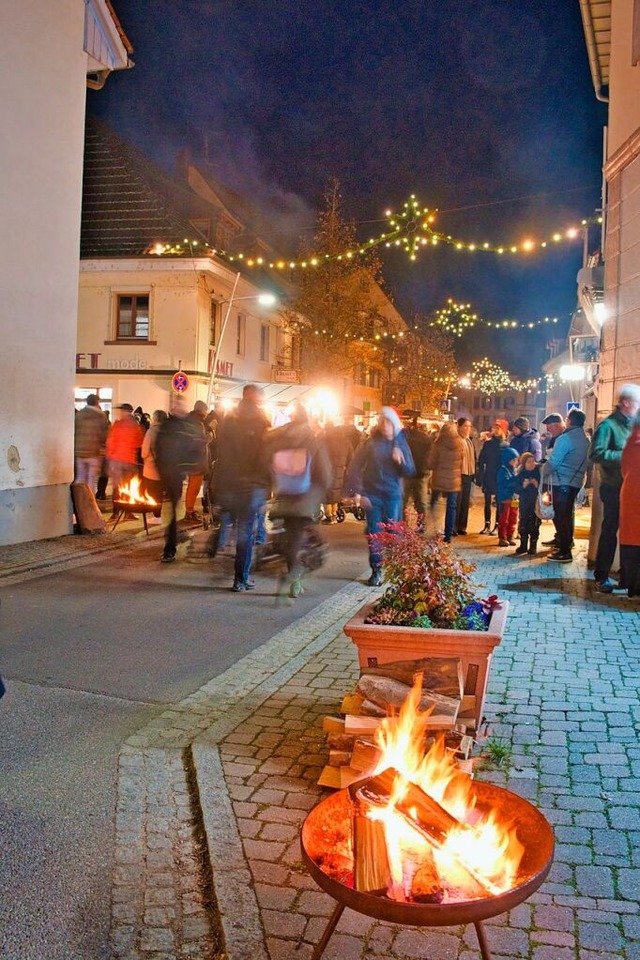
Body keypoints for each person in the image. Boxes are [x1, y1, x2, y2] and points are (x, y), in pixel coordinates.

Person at [266, 404, 332, 600]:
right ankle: (294, 578)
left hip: (284, 495)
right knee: (303, 535)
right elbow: (325, 475)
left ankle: (290, 569)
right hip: (305, 499)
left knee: (290, 535)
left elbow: (268, 463)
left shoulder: (280, 440)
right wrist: (319, 493)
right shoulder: (312, 441)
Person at [346, 407, 415, 586]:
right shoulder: (370, 443)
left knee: (393, 532)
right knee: (374, 534)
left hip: (393, 495)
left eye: (388, 422)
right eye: (382, 421)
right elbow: (355, 466)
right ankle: (376, 570)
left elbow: (411, 470)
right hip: (373, 495)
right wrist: (357, 491)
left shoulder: (401, 443)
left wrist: (402, 461)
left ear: (394, 424)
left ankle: (396, 568)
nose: (384, 425)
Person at [213, 384, 270, 592]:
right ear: (256, 399)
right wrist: (266, 485)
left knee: (230, 525)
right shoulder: (262, 421)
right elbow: (266, 457)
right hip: (251, 486)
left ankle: (222, 557)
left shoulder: (229, 419)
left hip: (230, 483)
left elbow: (221, 453)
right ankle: (240, 578)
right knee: (246, 532)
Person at [589, 384, 640, 592]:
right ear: (626, 403)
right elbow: (596, 454)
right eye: (637, 403)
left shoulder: (632, 424)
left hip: (631, 488)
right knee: (610, 530)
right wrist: (627, 457)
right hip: (613, 487)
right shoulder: (608, 426)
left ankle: (628, 578)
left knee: (631, 533)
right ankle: (601, 575)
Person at [155, 397, 209, 563]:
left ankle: (172, 542)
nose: (177, 408)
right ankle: (172, 542)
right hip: (171, 473)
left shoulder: (176, 425)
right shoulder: (178, 426)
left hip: (174, 473)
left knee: (173, 509)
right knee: (173, 509)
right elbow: (160, 448)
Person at [544, 408, 589, 563]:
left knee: (561, 516)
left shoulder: (565, 439)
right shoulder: (585, 439)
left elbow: (553, 462)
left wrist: (541, 472)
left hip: (561, 482)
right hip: (576, 482)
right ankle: (566, 545)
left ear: (569, 421)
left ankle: (564, 551)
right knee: (567, 515)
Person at [105, 403, 145, 518]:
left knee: (117, 487)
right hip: (128, 460)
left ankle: (115, 513)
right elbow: (139, 443)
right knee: (128, 486)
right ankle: (127, 512)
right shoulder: (134, 425)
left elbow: (110, 442)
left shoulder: (116, 425)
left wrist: (110, 457)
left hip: (116, 460)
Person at [429, 421, 463, 543]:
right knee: (451, 507)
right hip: (454, 480)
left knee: (433, 503)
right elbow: (462, 461)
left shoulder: (438, 443)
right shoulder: (460, 443)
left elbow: (431, 462)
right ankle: (448, 535)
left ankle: (432, 527)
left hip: (439, 479)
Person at [620, 413, 640, 598]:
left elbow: (624, 468)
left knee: (632, 547)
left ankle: (631, 586)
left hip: (630, 496)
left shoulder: (630, 442)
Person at [539, 413, 566, 548]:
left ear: (557, 425)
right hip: (552, 480)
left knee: (562, 512)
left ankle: (564, 540)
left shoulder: (562, 439)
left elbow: (554, 460)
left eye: (549, 427)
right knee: (555, 509)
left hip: (559, 481)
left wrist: (543, 468)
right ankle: (559, 537)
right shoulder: (554, 438)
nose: (548, 430)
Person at [476, 422, 508, 534]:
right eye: (493, 427)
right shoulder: (488, 444)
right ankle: (487, 524)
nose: (494, 430)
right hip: (489, 475)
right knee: (487, 501)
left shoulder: (506, 445)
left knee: (499, 502)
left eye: (497, 428)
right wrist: (479, 475)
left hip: (500, 476)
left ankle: (497, 525)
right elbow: (481, 460)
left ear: (503, 430)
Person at [403, 417, 433, 532]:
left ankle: (402, 524)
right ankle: (421, 524)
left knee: (403, 501)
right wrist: (427, 469)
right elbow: (430, 455)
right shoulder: (425, 438)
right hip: (421, 473)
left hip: (406, 473)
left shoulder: (405, 439)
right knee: (421, 502)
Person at [74, 393, 108, 494]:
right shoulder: (100, 415)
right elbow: (103, 435)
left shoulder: (79, 415)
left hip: (79, 451)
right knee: (91, 479)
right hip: (94, 451)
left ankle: (78, 500)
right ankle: (89, 501)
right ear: (97, 402)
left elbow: (75, 431)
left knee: (80, 477)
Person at [322, 422, 353, 523]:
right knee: (336, 493)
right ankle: (334, 515)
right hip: (340, 472)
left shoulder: (325, 440)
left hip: (327, 470)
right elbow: (351, 457)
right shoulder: (346, 441)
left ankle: (329, 516)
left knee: (326, 495)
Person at [183, 400, 209, 523]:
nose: (206, 413)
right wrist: (209, 436)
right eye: (206, 410)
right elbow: (199, 442)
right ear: (202, 411)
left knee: (192, 486)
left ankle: (189, 510)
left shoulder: (190, 420)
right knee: (194, 487)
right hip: (196, 460)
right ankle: (189, 512)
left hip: (191, 458)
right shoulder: (196, 423)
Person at [141, 409, 168, 524]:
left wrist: (144, 457)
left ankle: (155, 516)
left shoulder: (151, 432)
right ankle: (158, 515)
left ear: (155, 418)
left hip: (151, 468)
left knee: (150, 492)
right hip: (164, 468)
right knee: (158, 493)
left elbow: (145, 451)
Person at [514, 452, 541, 555]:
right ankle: (523, 545)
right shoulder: (521, 474)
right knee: (523, 524)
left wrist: (536, 484)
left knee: (534, 524)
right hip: (524, 503)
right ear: (524, 463)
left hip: (535, 503)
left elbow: (543, 489)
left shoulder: (538, 473)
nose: (531, 464)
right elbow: (516, 489)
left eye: (533, 461)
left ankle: (533, 546)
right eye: (528, 462)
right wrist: (523, 486)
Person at [455, 417, 476, 536]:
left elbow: (474, 457)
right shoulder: (457, 440)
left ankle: (462, 526)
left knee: (465, 502)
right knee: (457, 502)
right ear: (459, 426)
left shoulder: (469, 441)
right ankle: (454, 526)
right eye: (465, 426)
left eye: (469, 426)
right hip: (459, 473)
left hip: (469, 474)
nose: (468, 429)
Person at [495, 446, 520, 547]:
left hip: (514, 498)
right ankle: (503, 537)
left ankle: (510, 535)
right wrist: (515, 480)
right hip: (505, 498)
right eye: (513, 460)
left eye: (516, 460)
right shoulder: (503, 471)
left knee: (513, 518)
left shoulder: (513, 470)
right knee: (504, 519)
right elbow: (505, 483)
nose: (515, 462)